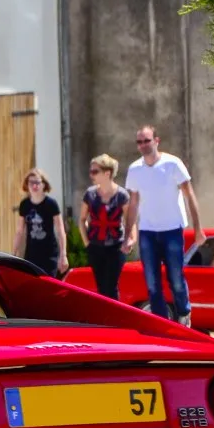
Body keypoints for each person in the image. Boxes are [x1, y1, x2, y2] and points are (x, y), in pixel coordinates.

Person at [125, 125, 204, 325]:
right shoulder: (135, 169)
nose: (143, 145)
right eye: (139, 142)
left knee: (175, 278)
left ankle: (184, 313)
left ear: (156, 141)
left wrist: (198, 229)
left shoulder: (172, 164)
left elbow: (189, 195)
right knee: (152, 283)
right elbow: (133, 203)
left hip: (172, 230)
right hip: (147, 231)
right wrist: (127, 236)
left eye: (147, 140)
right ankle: (162, 322)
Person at [79, 154, 132, 299]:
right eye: (91, 171)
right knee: (101, 286)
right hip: (95, 246)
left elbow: (130, 221)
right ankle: (104, 313)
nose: (91, 175)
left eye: (95, 171)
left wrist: (130, 240)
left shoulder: (122, 195)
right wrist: (87, 243)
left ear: (107, 173)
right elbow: (82, 219)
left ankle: (114, 313)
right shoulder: (90, 194)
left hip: (116, 246)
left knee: (111, 285)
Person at [12, 168, 68, 277]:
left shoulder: (51, 204)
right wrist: (13, 253)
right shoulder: (25, 205)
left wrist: (63, 255)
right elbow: (19, 231)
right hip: (31, 254)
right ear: (27, 185)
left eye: (37, 182)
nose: (34, 186)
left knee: (49, 283)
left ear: (43, 184)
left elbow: (60, 230)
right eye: (31, 182)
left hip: (50, 254)